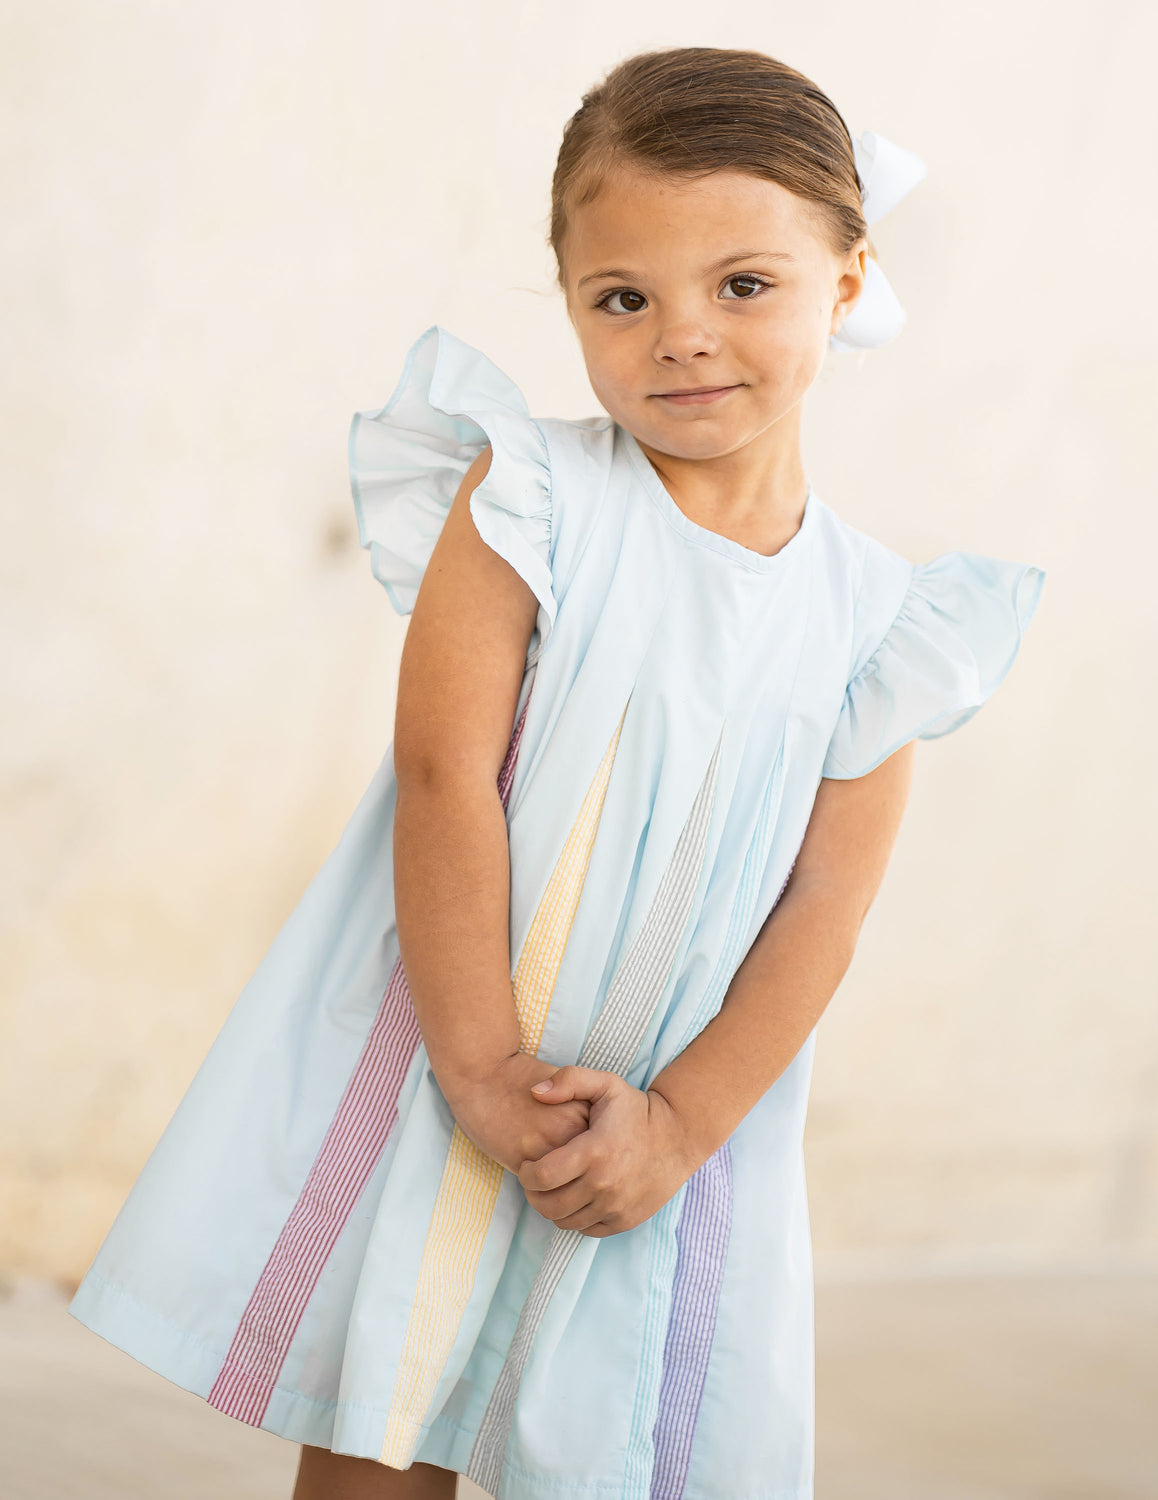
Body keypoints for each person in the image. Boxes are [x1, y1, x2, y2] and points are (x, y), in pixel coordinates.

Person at [68, 44, 1046, 1500]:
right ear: (574, 299)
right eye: (623, 298)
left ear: (846, 282)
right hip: (463, 1065)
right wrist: (476, 1069)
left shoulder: (878, 624)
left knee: (604, 1441)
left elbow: (824, 908)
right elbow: (445, 771)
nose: (684, 337)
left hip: (669, 1116)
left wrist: (680, 1126)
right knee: (384, 1427)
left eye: (746, 285)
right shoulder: (529, 499)